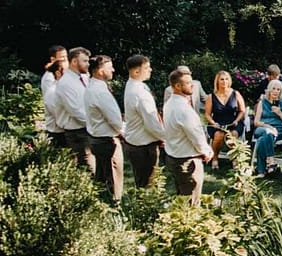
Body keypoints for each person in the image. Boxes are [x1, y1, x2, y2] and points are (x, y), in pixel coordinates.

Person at [163, 70, 215, 206]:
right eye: (188, 83)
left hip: (174, 155)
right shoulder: (183, 109)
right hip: (187, 160)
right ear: (177, 86)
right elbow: (195, 134)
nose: (193, 86)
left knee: (182, 199)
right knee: (191, 202)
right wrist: (206, 150)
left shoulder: (169, 104)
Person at [84, 55, 126, 202]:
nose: (113, 70)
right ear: (100, 71)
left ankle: (103, 204)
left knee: (102, 177)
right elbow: (114, 119)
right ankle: (115, 206)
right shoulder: (100, 91)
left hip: (96, 138)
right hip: (107, 140)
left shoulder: (91, 87)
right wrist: (123, 132)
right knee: (113, 178)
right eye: (110, 68)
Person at [122, 55, 164, 188]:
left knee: (142, 182)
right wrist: (165, 137)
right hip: (144, 146)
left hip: (135, 142)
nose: (150, 70)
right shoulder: (140, 93)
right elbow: (151, 123)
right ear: (136, 72)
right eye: (146, 68)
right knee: (147, 185)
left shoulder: (132, 86)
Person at [54, 46, 93, 172]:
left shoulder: (85, 78)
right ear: (74, 62)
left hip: (88, 130)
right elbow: (76, 111)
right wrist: (96, 125)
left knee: (98, 169)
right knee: (89, 169)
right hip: (77, 133)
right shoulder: (66, 83)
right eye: (85, 61)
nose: (88, 64)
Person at [204, 70, 247, 166]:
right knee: (218, 135)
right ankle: (215, 158)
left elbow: (242, 111)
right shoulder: (211, 96)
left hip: (233, 122)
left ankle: (234, 158)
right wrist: (213, 123)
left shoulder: (235, 94)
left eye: (226, 79)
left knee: (233, 134)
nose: (224, 81)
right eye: (222, 79)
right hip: (217, 123)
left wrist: (237, 120)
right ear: (217, 81)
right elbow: (207, 114)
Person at [40, 45, 67, 149]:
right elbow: (52, 103)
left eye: (66, 57)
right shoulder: (49, 78)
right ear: (52, 59)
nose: (65, 60)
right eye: (62, 57)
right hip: (57, 128)